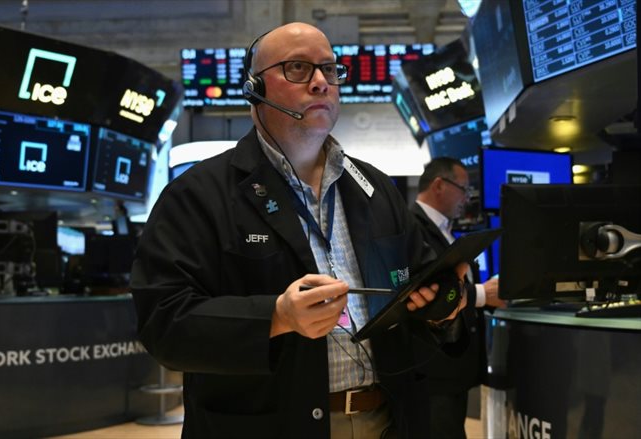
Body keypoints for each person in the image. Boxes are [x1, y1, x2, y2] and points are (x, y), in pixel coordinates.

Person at [130, 23, 468, 439]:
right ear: (254, 88)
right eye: (297, 68)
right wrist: (275, 317)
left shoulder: (376, 188)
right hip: (266, 427)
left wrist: (444, 307)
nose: (322, 82)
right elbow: (164, 324)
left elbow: (417, 287)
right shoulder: (197, 195)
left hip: (388, 422)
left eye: (329, 68)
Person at [409, 157, 506, 439]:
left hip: (453, 370)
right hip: (432, 372)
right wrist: (481, 294)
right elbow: (423, 286)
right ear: (439, 184)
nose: (467, 198)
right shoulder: (411, 226)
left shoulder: (446, 229)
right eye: (463, 188)